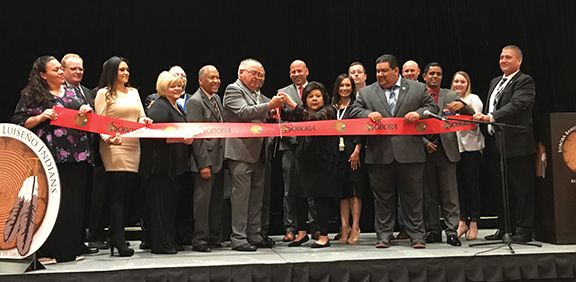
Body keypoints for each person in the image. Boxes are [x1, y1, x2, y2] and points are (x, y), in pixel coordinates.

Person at [349, 54, 439, 249]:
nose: (380, 75)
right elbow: (353, 112)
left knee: (414, 197)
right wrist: (367, 114)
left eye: (384, 71)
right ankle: (383, 236)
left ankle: (417, 236)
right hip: (379, 154)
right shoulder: (366, 92)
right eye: (377, 71)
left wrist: (419, 114)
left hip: (411, 153)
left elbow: (432, 108)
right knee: (382, 198)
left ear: (396, 71)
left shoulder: (417, 88)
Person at [12, 55, 94, 263]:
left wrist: (86, 111)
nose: (60, 72)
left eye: (60, 69)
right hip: (49, 157)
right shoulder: (32, 95)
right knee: (50, 204)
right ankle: (48, 251)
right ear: (42, 74)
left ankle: (70, 248)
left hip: (77, 154)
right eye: (55, 70)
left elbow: (85, 118)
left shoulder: (73, 91)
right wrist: (41, 117)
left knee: (74, 203)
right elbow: (19, 123)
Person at [473, 45, 536, 243]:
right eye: (501, 57)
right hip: (496, 143)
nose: (503, 61)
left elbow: (517, 105)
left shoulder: (524, 81)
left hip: (517, 143)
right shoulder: (495, 82)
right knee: (500, 189)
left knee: (521, 189)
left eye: (508, 57)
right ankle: (504, 228)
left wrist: (491, 117)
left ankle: (524, 230)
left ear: (519, 61)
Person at [222, 58, 284, 251]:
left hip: (260, 152)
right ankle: (238, 238)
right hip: (240, 152)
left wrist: (273, 112)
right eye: (254, 73)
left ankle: (254, 234)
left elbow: (264, 112)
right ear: (241, 73)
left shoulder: (259, 95)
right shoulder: (233, 90)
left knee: (257, 197)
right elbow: (243, 112)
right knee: (241, 197)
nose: (258, 78)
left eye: (261, 75)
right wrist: (269, 107)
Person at [94, 56, 152, 256]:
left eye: (127, 70)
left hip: (132, 145)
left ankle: (115, 234)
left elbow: (139, 116)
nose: (126, 73)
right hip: (114, 146)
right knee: (118, 193)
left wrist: (145, 120)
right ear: (112, 72)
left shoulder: (134, 92)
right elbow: (99, 121)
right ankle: (118, 238)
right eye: (121, 70)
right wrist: (108, 139)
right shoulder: (104, 93)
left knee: (127, 192)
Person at [280, 82, 340, 248]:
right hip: (302, 159)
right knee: (299, 196)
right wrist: (276, 110)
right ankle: (301, 233)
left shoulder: (328, 110)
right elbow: (286, 117)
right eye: (310, 96)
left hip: (321, 162)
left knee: (319, 198)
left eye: (318, 96)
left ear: (323, 98)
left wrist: (293, 104)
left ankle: (324, 236)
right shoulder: (301, 112)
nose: (314, 99)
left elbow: (312, 120)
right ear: (305, 99)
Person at [421, 62, 474, 247]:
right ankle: (433, 231)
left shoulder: (450, 95)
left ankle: (452, 231)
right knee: (429, 195)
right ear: (424, 76)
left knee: (450, 194)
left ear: (442, 77)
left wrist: (462, 106)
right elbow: (409, 124)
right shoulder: (417, 95)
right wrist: (424, 142)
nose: (434, 76)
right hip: (425, 150)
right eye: (431, 73)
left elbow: (471, 113)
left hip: (447, 150)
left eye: (438, 74)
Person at [140, 71, 193, 254]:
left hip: (173, 165)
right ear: (163, 87)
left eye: (179, 85)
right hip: (161, 165)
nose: (177, 88)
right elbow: (155, 136)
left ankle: (168, 241)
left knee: (170, 206)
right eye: (172, 86)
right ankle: (160, 244)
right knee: (160, 206)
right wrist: (182, 140)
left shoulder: (175, 105)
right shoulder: (159, 106)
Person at [60, 53, 99, 255]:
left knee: (82, 201)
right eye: (73, 68)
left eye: (80, 68)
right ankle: (68, 242)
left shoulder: (87, 93)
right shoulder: (57, 93)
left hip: (86, 152)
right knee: (68, 201)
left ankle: (79, 241)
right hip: (65, 155)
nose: (78, 72)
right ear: (63, 70)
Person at [187, 65, 225, 252]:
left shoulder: (217, 98)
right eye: (211, 78)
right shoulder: (195, 101)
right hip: (204, 161)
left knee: (216, 201)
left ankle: (214, 236)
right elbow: (196, 135)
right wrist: (203, 163)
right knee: (202, 203)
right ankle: (200, 239)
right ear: (201, 81)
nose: (216, 81)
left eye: (217, 77)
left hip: (219, 159)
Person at [275, 60, 308, 242]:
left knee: (311, 188)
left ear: (306, 71)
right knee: (289, 190)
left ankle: (315, 227)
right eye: (293, 71)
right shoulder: (282, 92)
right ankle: (290, 228)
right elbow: (279, 121)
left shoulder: (315, 90)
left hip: (311, 146)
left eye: (299, 71)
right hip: (289, 146)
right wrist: (294, 138)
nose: (296, 74)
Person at [332, 74, 367, 245]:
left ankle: (355, 226)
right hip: (337, 154)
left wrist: (358, 149)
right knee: (342, 191)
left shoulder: (356, 107)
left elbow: (362, 129)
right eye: (341, 85)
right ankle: (344, 226)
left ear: (352, 88)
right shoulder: (333, 108)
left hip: (353, 152)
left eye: (348, 85)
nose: (344, 88)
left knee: (354, 191)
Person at [451, 71, 484, 241]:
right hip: (455, 149)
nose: (458, 85)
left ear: (467, 84)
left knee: (471, 186)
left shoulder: (474, 99)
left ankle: (474, 222)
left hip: (471, 148)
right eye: (456, 81)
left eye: (462, 82)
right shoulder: (448, 100)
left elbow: (473, 117)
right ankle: (462, 221)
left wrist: (462, 105)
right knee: (458, 187)